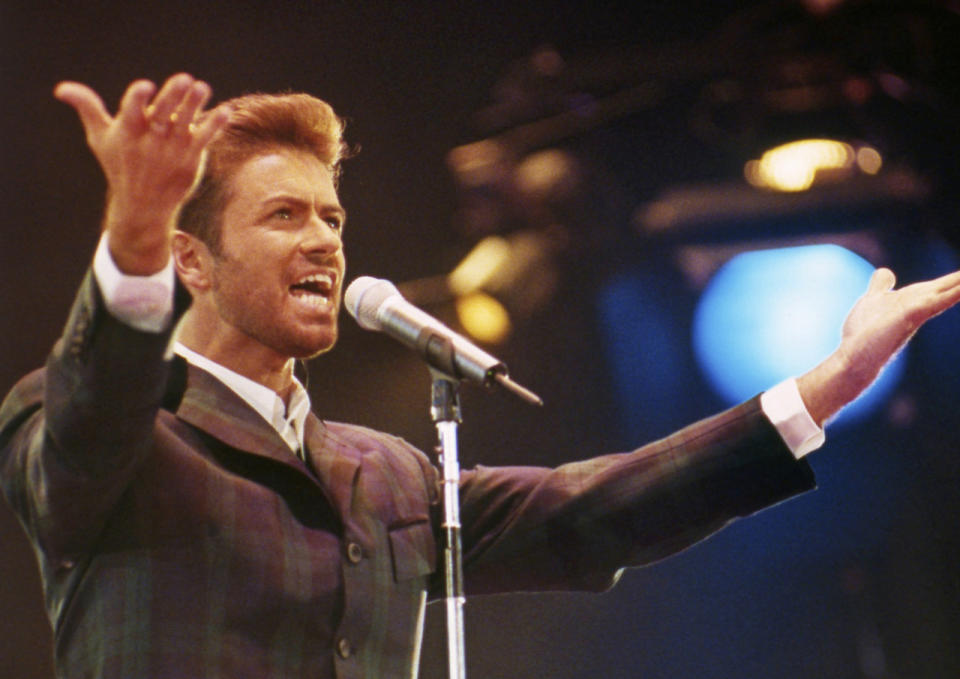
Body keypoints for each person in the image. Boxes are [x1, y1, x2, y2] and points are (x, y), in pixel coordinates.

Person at [2, 72, 959, 679]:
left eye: (333, 218)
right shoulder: (101, 430)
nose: (326, 242)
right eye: (285, 216)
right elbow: (95, 414)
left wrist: (828, 384)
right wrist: (129, 241)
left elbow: (592, 512)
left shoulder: (388, 476)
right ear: (192, 261)